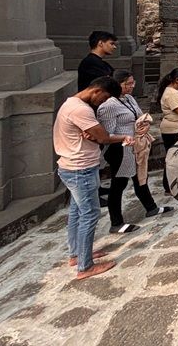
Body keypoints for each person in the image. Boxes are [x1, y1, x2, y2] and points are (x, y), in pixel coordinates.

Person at [54, 76, 132, 279]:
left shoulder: (72, 103)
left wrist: (96, 134)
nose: (102, 103)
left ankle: (77, 254)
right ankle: (85, 266)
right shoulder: (81, 110)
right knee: (90, 214)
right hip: (80, 168)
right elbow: (103, 137)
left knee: (77, 212)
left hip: (74, 166)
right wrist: (124, 137)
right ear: (97, 91)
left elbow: (96, 135)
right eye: (104, 98)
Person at [97, 71, 172, 233]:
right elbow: (106, 134)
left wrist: (144, 124)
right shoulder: (109, 105)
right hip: (120, 148)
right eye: (127, 84)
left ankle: (151, 207)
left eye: (133, 83)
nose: (131, 87)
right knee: (119, 184)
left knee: (140, 178)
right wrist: (125, 137)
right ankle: (116, 222)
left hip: (136, 145)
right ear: (117, 84)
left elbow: (139, 115)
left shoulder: (129, 99)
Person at [158, 67, 178, 194]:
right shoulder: (171, 93)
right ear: (177, 80)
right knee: (173, 158)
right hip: (173, 129)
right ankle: (169, 185)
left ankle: (176, 183)